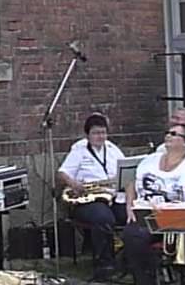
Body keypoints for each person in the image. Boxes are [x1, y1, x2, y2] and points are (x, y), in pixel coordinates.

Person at [122, 122, 185, 285]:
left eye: (174, 134)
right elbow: (131, 182)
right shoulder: (149, 160)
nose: (168, 135)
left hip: (183, 219)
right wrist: (129, 206)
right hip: (149, 214)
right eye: (167, 132)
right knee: (132, 236)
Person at [58, 113, 128, 281]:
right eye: (96, 133)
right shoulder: (79, 150)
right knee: (104, 218)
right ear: (87, 135)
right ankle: (105, 265)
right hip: (89, 198)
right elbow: (62, 173)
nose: (100, 137)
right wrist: (74, 184)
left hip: (113, 195)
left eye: (103, 133)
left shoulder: (112, 149)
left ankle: (129, 261)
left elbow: (126, 169)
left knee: (131, 216)